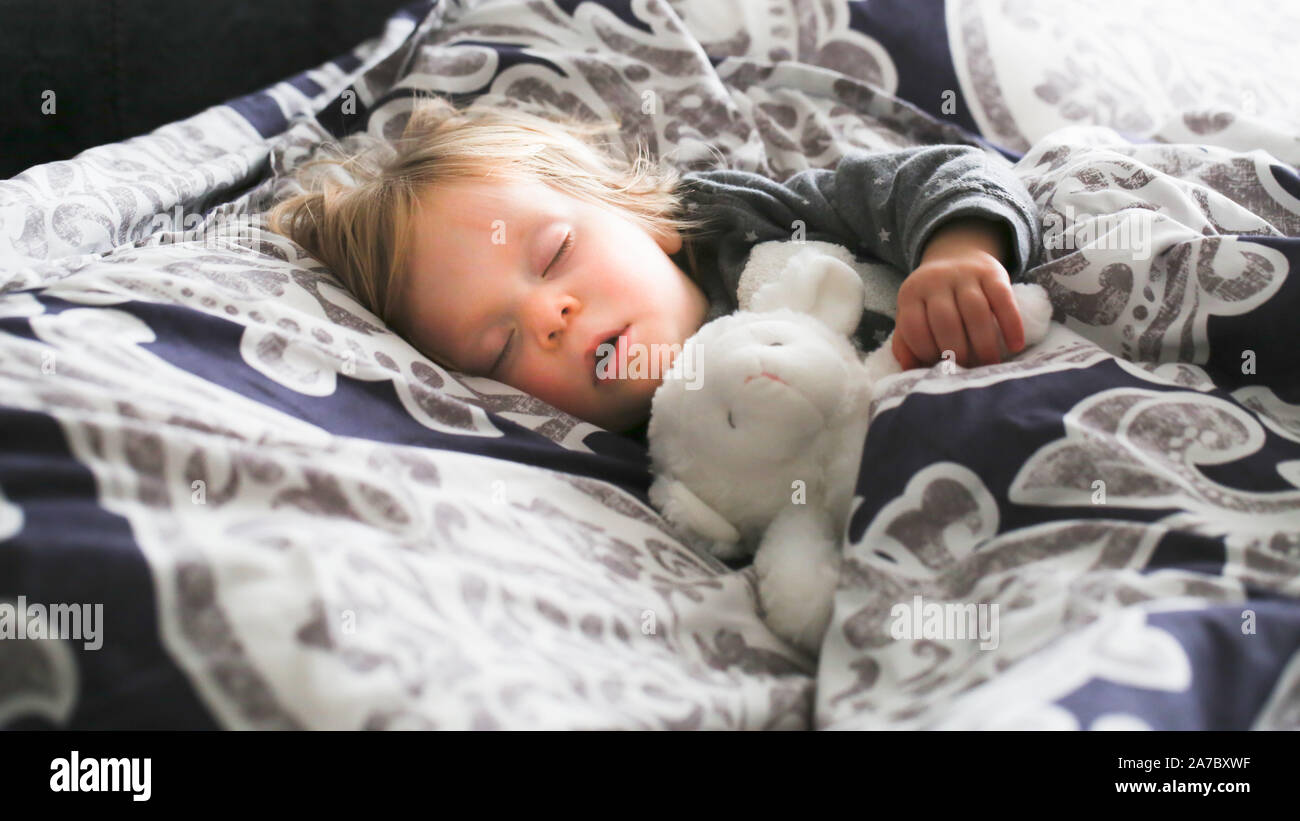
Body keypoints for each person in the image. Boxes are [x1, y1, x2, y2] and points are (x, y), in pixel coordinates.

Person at [268, 94, 1041, 436]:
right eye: (496, 348)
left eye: (554, 255)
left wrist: (958, 252)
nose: (546, 316)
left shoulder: (751, 223)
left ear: (643, 213)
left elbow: (947, 174)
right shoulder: (639, 460)